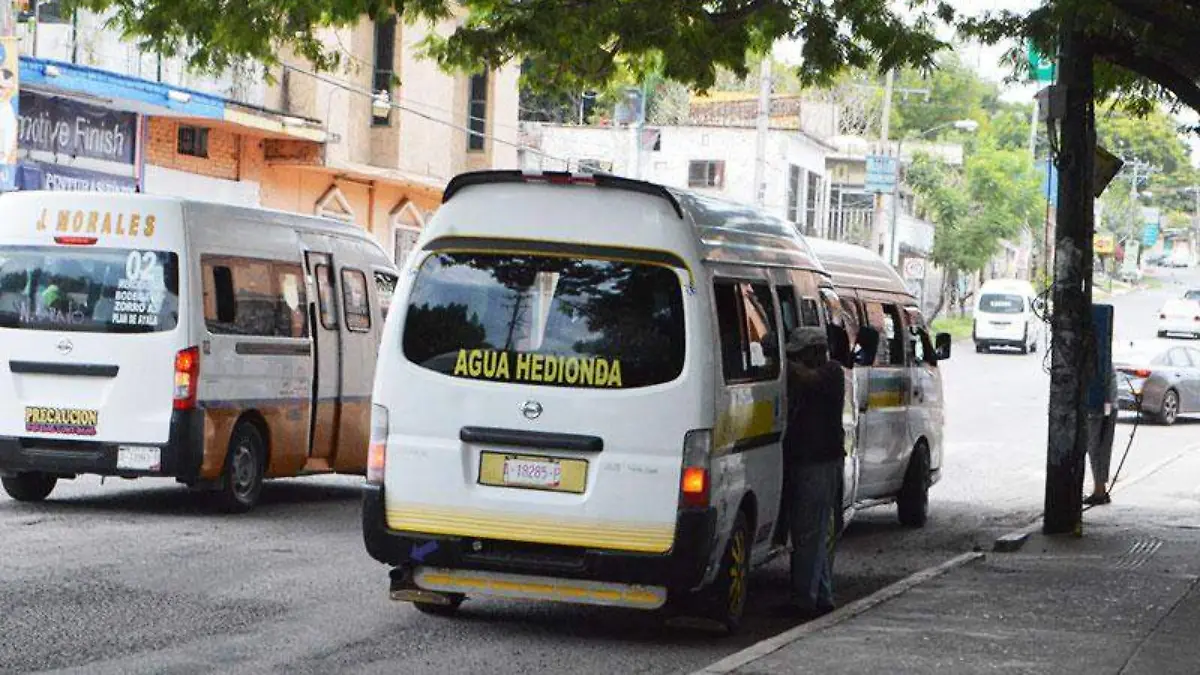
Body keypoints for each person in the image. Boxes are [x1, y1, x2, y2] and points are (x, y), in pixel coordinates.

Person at [779, 325, 845, 619]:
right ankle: (820, 595)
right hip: (809, 461)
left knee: (810, 534)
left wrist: (782, 361)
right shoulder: (817, 375)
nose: (797, 360)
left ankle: (805, 599)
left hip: (820, 464)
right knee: (812, 534)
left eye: (800, 354)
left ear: (816, 352)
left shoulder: (832, 372)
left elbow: (807, 378)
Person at [1085, 367, 1118, 506]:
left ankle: (1099, 490)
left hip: (1097, 407)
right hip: (1109, 405)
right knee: (1103, 447)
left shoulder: (1094, 363)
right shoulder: (1107, 363)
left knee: (1094, 448)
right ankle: (1101, 488)